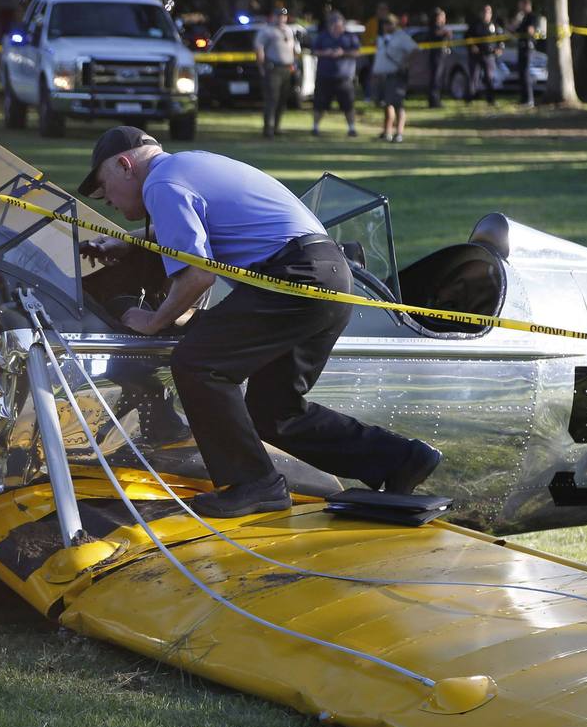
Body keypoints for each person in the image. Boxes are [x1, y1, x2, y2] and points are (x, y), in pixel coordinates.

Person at [75, 126, 441, 515]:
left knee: (198, 363)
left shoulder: (162, 184)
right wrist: (129, 243)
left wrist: (152, 321)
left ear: (125, 164)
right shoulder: (187, 167)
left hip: (294, 278)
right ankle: (401, 459)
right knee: (274, 412)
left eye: (104, 189)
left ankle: (254, 485)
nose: (108, 201)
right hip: (329, 275)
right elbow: (198, 227)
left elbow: (198, 274)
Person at [310, 11, 361, 137]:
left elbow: (357, 53)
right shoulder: (323, 36)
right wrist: (326, 53)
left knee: (348, 105)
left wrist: (343, 53)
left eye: (339, 25)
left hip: (344, 77)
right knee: (319, 104)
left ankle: (352, 128)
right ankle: (315, 127)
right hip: (324, 76)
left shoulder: (350, 37)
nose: (337, 28)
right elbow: (314, 51)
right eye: (334, 25)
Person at [371, 15, 418, 142]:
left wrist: (405, 63)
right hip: (382, 76)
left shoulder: (401, 36)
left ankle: (399, 133)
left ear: (395, 24)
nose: (387, 26)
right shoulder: (381, 38)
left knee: (398, 104)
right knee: (386, 104)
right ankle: (387, 132)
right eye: (385, 23)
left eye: (390, 23)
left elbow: (415, 49)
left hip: (396, 75)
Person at [254, 7, 297, 138]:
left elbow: (293, 48)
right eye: (278, 16)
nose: (281, 18)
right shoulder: (267, 31)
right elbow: (259, 48)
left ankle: (277, 127)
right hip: (273, 68)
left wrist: (293, 64)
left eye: (283, 16)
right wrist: (261, 66)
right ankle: (268, 129)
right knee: (272, 99)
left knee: (282, 99)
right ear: (273, 17)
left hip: (287, 68)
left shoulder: (289, 30)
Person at [465, 4, 502, 105]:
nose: (486, 14)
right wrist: (472, 46)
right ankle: (470, 99)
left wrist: (499, 48)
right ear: (481, 13)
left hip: (489, 56)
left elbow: (500, 39)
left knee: (489, 78)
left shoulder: (494, 26)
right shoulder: (475, 25)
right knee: (473, 77)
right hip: (476, 56)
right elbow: (467, 37)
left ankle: (491, 99)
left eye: (488, 12)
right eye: (485, 11)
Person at [509, 0, 538, 107]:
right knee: (521, 73)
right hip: (521, 48)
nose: (519, 8)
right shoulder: (523, 18)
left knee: (526, 73)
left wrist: (527, 29)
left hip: (527, 48)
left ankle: (529, 100)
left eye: (520, 5)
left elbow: (530, 31)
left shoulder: (532, 17)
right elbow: (514, 30)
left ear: (526, 5)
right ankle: (523, 98)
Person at [426, 7, 452, 108]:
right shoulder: (434, 27)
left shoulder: (441, 27)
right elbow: (435, 35)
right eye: (442, 16)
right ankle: (433, 101)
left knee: (439, 79)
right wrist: (445, 33)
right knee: (435, 79)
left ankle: (437, 99)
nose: (444, 18)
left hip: (442, 55)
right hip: (436, 56)